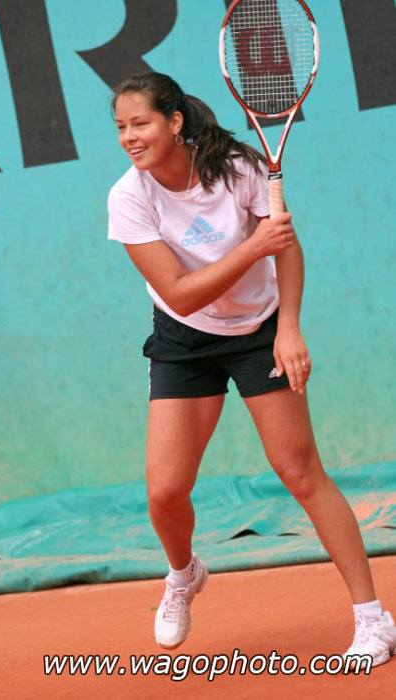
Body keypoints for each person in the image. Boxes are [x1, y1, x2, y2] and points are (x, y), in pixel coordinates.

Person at [107, 72, 395, 667]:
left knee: (300, 470)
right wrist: (251, 247)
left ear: (175, 121)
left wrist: (289, 326)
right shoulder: (128, 197)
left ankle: (373, 619)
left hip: (259, 330)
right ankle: (183, 574)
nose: (129, 137)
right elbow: (182, 295)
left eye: (140, 123)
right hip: (184, 337)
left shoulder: (237, 168)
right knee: (164, 491)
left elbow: (286, 247)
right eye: (120, 128)